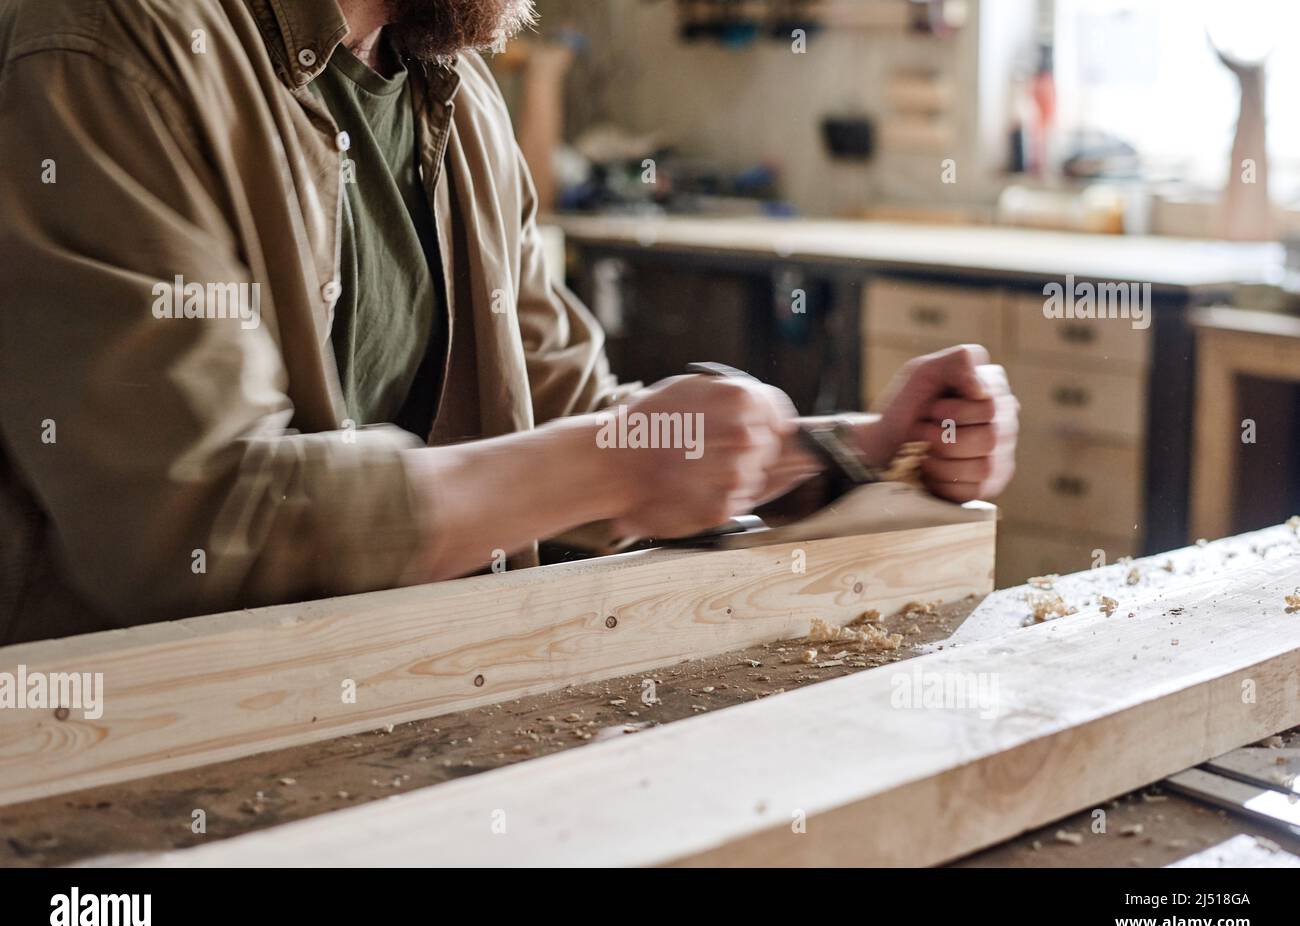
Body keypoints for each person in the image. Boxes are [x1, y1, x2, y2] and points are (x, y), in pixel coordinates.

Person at [0, 0, 1018, 644]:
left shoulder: (455, 94)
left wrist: (852, 453)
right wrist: (609, 462)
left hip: (397, 698)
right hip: (123, 753)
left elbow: (566, 415)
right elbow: (193, 526)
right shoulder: (111, 43)